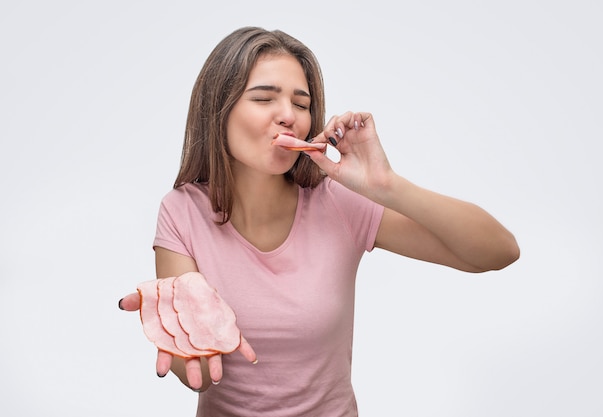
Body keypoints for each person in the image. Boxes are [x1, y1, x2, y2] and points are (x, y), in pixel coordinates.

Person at [118, 26, 520, 416]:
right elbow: (200, 376)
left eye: (301, 103)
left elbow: (498, 251)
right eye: (263, 99)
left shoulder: (339, 204)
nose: (288, 116)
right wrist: (180, 336)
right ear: (218, 111)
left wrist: (386, 186)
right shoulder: (181, 211)